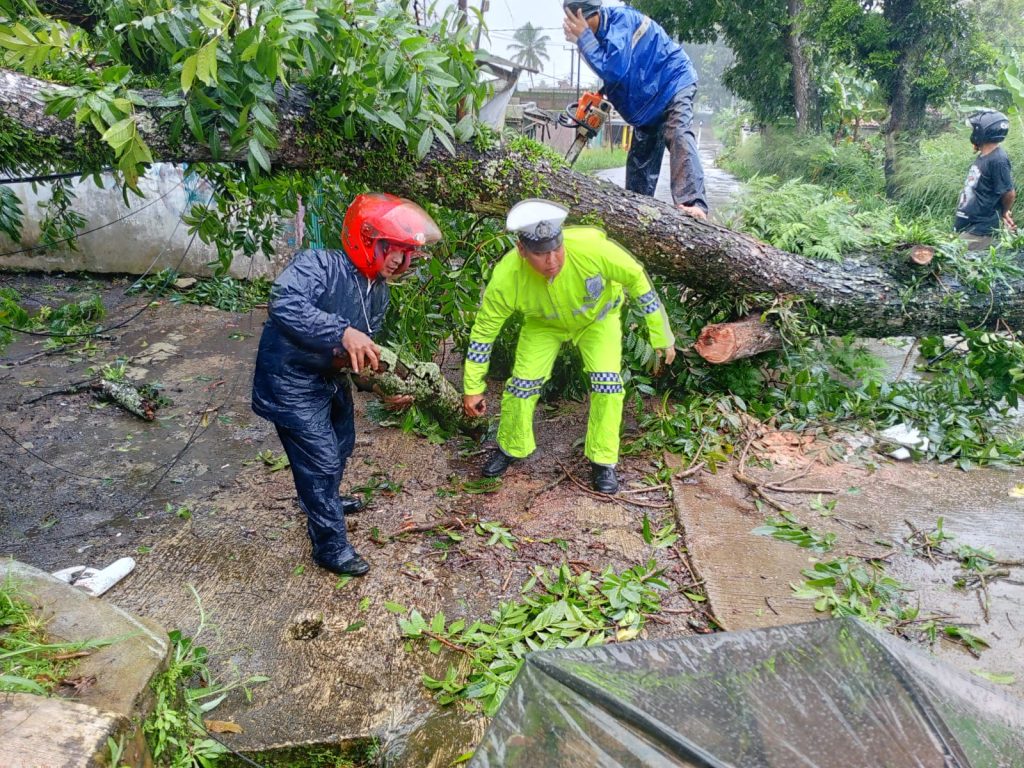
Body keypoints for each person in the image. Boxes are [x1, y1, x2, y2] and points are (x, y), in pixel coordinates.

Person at [251, 193, 441, 577]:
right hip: (290, 380)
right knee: (320, 460)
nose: (399, 262)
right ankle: (329, 545)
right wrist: (341, 330)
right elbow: (284, 302)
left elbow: (362, 356)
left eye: (406, 253)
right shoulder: (318, 264)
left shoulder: (379, 292)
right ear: (367, 239)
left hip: (330, 378)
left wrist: (383, 387)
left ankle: (323, 501)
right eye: (393, 249)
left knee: (341, 445)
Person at [461, 199, 675, 494]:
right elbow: (484, 332)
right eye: (540, 254)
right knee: (521, 385)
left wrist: (661, 335)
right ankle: (510, 446)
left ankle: (603, 461)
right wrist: (472, 386)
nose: (552, 261)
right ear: (522, 250)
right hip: (543, 325)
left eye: (556, 249)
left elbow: (637, 279)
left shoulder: (590, 248)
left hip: (598, 320)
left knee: (608, 385)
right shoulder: (506, 277)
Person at [562, 0, 708, 220]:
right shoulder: (599, 36)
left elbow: (614, 70)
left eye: (575, 23)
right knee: (641, 161)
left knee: (677, 131)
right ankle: (637, 216)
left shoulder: (619, 23)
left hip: (672, 83)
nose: (573, 28)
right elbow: (620, 72)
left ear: (585, 16)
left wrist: (584, 39)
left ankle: (694, 204)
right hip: (648, 104)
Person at [954, 109, 1017, 250]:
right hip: (970, 224)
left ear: (982, 132)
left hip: (981, 229)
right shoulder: (985, 155)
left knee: (960, 262)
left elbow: (1009, 192)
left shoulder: (998, 160)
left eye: (975, 130)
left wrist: (1004, 212)